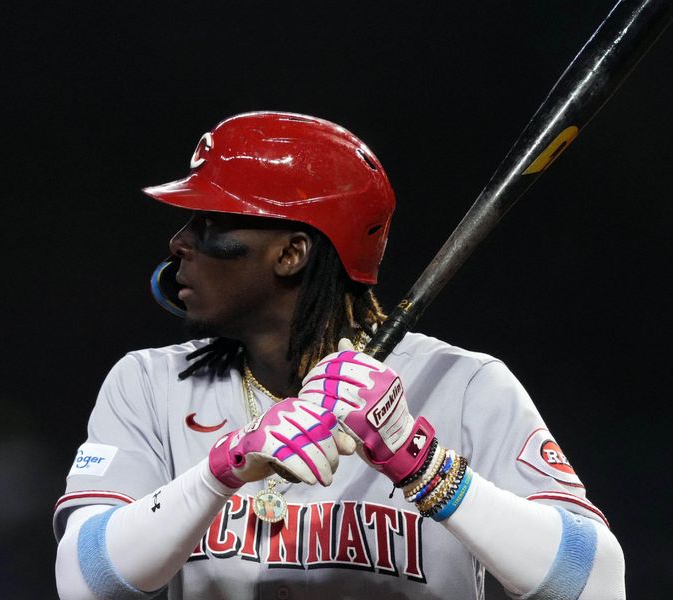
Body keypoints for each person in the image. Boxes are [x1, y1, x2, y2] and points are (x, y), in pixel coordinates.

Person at [54, 111, 625, 600]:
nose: (179, 242)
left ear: (290, 254)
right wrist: (221, 468)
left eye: (208, 223)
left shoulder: (465, 384)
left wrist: (427, 468)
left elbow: (597, 582)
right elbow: (84, 581)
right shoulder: (150, 384)